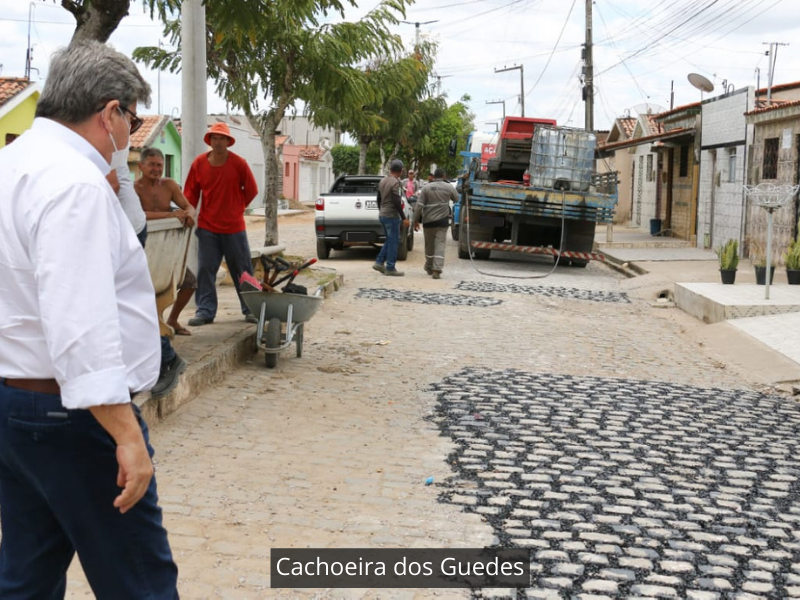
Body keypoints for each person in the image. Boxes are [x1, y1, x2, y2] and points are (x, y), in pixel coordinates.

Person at [0, 40, 179, 598]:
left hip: (16, 403)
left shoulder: (13, 164)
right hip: (74, 415)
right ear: (109, 112)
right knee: (140, 581)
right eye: (130, 119)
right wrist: (126, 435)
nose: (129, 137)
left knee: (27, 574)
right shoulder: (74, 184)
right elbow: (79, 325)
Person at [183, 122, 259, 325]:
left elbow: (251, 189)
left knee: (242, 270)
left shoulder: (239, 163)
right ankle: (205, 311)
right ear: (210, 141)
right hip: (208, 227)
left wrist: (237, 207)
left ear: (228, 141)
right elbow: (190, 193)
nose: (217, 142)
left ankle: (251, 309)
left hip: (234, 228)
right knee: (206, 269)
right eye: (214, 138)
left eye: (221, 138)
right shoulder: (199, 164)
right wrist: (188, 212)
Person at [136, 146, 198, 336]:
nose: (156, 169)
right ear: (141, 166)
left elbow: (188, 205)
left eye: (160, 165)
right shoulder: (134, 188)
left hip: (169, 249)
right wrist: (170, 214)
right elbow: (138, 215)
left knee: (190, 282)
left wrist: (189, 214)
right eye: (152, 165)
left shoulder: (169, 185)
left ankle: (172, 319)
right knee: (144, 288)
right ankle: (146, 326)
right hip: (146, 248)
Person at [414, 168, 458, 279]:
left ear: (433, 176)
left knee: (429, 245)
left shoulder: (426, 188)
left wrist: (415, 220)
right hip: (442, 221)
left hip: (428, 221)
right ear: (444, 176)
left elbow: (419, 205)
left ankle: (429, 266)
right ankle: (437, 270)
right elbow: (456, 198)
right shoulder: (449, 187)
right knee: (440, 244)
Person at [373, 159, 409, 277]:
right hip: (392, 215)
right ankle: (390, 267)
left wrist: (381, 210)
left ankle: (379, 262)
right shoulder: (396, 182)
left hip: (383, 214)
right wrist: (403, 217)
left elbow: (378, 198)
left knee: (390, 239)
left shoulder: (383, 181)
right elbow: (396, 201)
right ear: (401, 170)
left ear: (391, 169)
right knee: (394, 241)